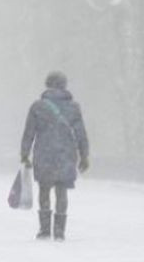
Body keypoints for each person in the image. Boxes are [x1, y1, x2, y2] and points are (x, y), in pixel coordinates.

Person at [21, 71, 89, 242]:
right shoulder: (73, 107)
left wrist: (24, 154)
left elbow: (29, 132)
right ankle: (59, 232)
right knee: (62, 191)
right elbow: (81, 133)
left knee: (44, 190)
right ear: (64, 85)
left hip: (43, 154)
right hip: (66, 154)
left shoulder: (38, 106)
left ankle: (44, 230)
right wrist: (84, 155)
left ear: (47, 84)